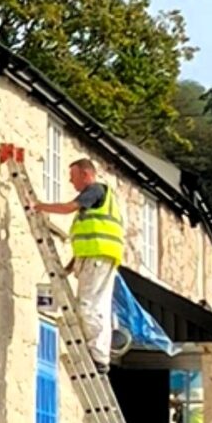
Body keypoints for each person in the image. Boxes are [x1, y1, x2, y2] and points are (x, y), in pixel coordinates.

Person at [29, 157, 126, 368]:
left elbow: (67, 208)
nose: (71, 182)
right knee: (94, 305)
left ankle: (98, 357)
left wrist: (38, 206)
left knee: (89, 307)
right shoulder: (93, 206)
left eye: (73, 177)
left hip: (98, 258)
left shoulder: (95, 190)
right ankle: (98, 353)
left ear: (85, 174)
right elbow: (86, 241)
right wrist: (70, 266)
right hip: (96, 257)